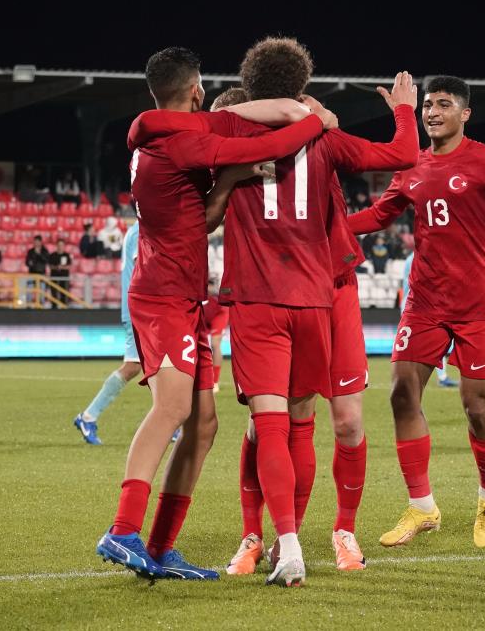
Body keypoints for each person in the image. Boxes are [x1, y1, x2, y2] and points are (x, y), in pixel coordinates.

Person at [175, 39, 419, 584]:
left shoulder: (254, 131)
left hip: (329, 288)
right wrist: (402, 109)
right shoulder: (314, 129)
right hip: (287, 294)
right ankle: (260, 536)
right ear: (302, 87)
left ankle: (332, 532)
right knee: (274, 427)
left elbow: (173, 137)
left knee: (339, 422)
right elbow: (401, 154)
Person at [95, 46, 330, 582]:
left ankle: (157, 548)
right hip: (163, 298)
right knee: (173, 410)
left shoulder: (159, 137)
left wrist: (231, 176)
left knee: (203, 425)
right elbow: (281, 136)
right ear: (197, 87)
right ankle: (124, 530)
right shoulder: (184, 144)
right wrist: (316, 119)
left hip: (181, 294)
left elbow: (197, 220)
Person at [347, 75, 485, 551]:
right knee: (401, 396)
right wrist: (325, 225)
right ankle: (422, 506)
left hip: (479, 305)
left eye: (443, 104)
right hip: (425, 302)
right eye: (427, 104)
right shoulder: (411, 164)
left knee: (476, 407)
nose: (431, 112)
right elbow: (379, 216)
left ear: (465, 114)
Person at [74, 222, 140, 444]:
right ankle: (88, 416)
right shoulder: (143, 229)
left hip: (139, 308)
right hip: (140, 309)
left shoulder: (135, 228)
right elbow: (145, 268)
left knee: (153, 366)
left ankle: (169, 422)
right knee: (135, 366)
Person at [403, 251, 458, 388]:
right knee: (432, 345)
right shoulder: (422, 257)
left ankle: (436, 377)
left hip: (413, 303)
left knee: (418, 346)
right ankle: (439, 377)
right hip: (420, 305)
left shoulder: (413, 257)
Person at [25, 235, 50, 306]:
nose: (36, 243)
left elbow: (46, 260)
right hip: (32, 273)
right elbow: (27, 262)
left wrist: (39, 254)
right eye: (35, 242)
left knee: (41, 290)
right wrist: (30, 262)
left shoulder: (44, 251)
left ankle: (41, 304)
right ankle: (29, 304)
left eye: (37, 242)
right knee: (29, 289)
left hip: (41, 274)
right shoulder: (30, 251)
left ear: (41, 242)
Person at [48, 239, 72, 306]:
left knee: (64, 294)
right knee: (54, 294)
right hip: (54, 277)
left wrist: (62, 267)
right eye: (59, 245)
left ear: (64, 246)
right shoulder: (53, 255)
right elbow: (50, 266)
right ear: (57, 246)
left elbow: (69, 266)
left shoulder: (67, 255)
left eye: (61, 245)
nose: (60, 246)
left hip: (64, 278)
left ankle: (64, 308)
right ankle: (54, 308)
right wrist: (56, 267)